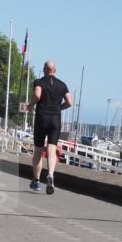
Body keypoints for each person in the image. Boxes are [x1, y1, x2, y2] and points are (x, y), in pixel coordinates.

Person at [30, 60, 72, 194]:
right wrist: (59, 107)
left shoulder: (39, 82)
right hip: (55, 119)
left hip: (42, 117)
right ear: (55, 70)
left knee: (38, 150)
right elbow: (69, 102)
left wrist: (31, 105)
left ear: (44, 69)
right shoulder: (62, 85)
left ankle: (36, 182)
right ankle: (51, 174)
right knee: (52, 149)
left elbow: (37, 94)